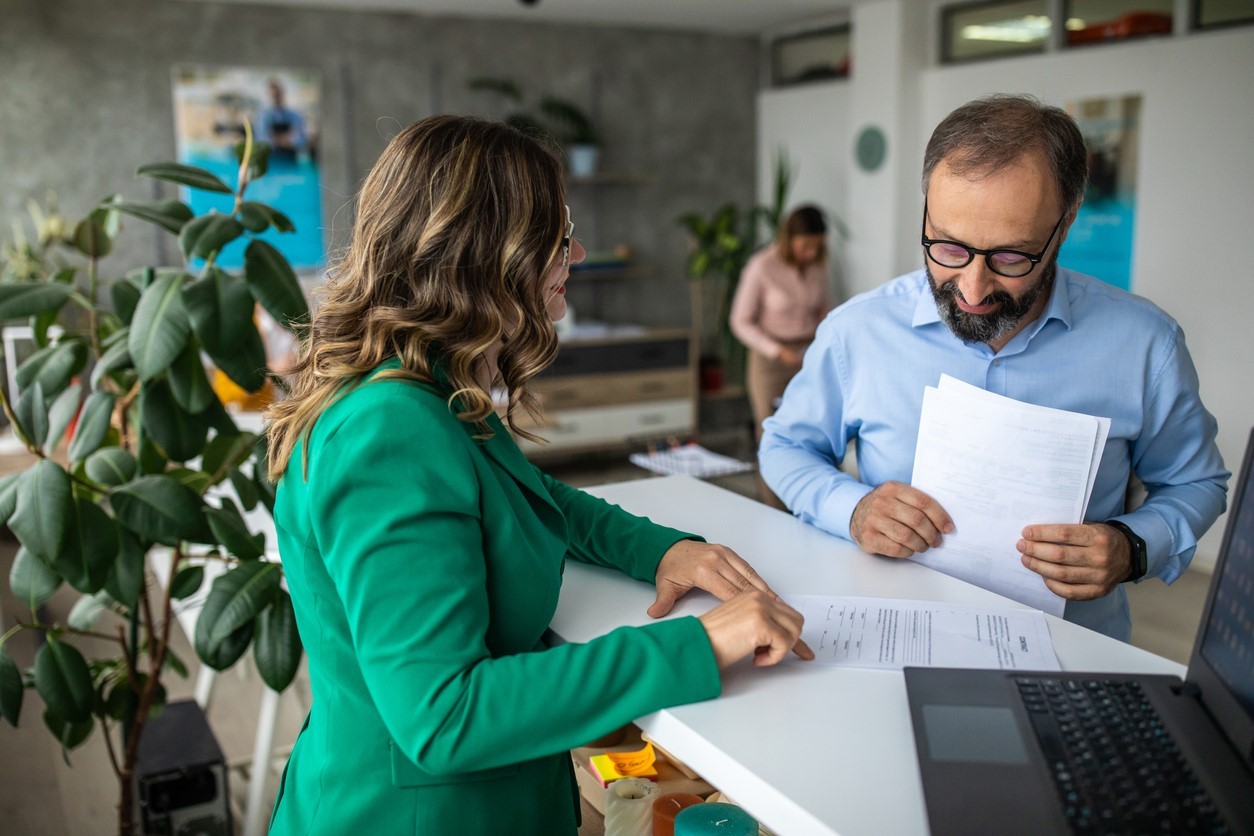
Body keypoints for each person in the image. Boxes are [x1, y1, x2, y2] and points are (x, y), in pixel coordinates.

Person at [263, 115, 811, 835]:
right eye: (558, 236)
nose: (576, 253)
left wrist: (663, 550)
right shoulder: (389, 430)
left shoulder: (425, 381)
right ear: (485, 253)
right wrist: (702, 644)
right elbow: (445, 715)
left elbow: (526, 493)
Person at [759, 94, 1228, 642]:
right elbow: (784, 446)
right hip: (891, 641)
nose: (973, 289)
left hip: (1073, 653)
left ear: (1066, 223)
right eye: (948, 247)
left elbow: (1196, 482)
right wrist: (853, 509)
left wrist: (1132, 547)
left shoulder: (1146, 344)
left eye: (1010, 256)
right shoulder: (857, 332)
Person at [729, 205, 831, 509]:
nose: (811, 253)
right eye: (806, 245)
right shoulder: (761, 266)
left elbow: (824, 309)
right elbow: (739, 321)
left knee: (813, 428)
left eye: (817, 246)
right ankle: (774, 507)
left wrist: (823, 340)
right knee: (771, 433)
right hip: (770, 360)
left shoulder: (818, 266)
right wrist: (777, 350)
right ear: (789, 239)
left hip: (808, 355)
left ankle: (810, 505)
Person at [256, 78, 308, 162]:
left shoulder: (294, 115)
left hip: (290, 160)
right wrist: (284, 139)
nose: (276, 97)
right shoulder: (263, 116)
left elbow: (301, 139)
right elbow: (261, 139)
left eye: (278, 94)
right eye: (273, 95)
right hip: (272, 160)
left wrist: (279, 139)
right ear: (269, 95)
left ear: (283, 93)